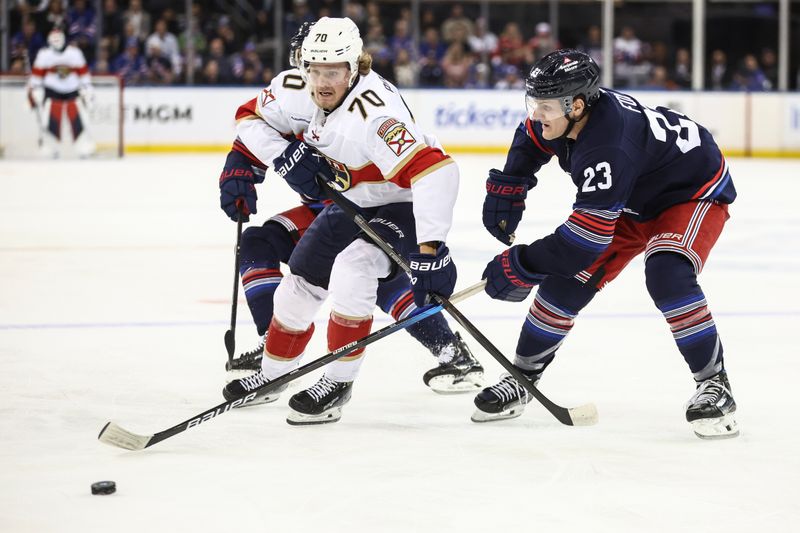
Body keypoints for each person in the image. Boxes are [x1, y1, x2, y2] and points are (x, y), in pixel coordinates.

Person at [218, 17, 473, 425]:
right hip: (352, 201)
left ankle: (338, 382)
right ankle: (272, 374)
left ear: (355, 68)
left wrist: (431, 250)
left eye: (333, 71)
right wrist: (281, 157)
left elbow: (437, 172)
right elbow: (248, 118)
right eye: (314, 69)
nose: (321, 81)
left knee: (354, 269)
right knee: (298, 285)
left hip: (399, 203)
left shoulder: (375, 116)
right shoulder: (298, 87)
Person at [474, 49, 738, 440]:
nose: (535, 114)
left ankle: (716, 385)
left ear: (576, 105)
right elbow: (530, 138)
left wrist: (523, 263)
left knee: (667, 273)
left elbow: (583, 242)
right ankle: (523, 376)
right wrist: (510, 186)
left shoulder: (607, 147)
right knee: (564, 284)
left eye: (544, 106)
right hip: (631, 196)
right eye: (533, 102)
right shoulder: (568, 119)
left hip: (690, 192)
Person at [27, 28, 96, 158]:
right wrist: (33, 90)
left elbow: (84, 75)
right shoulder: (44, 54)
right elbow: (36, 78)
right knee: (49, 117)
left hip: (73, 90)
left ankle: (83, 146)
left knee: (80, 117)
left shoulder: (75, 53)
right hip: (51, 90)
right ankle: (49, 146)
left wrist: (88, 90)